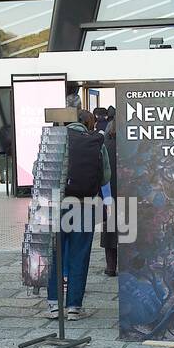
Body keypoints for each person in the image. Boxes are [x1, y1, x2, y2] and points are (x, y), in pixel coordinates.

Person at [47, 107, 109, 319]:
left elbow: (42, 169)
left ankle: (54, 304)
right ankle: (74, 307)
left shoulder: (56, 140)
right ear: (89, 123)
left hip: (58, 204)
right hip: (85, 205)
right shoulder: (94, 142)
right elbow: (105, 177)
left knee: (55, 253)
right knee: (79, 254)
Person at [100, 116, 119, 277]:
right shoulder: (129, 145)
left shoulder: (104, 145)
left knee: (110, 230)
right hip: (128, 194)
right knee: (128, 230)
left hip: (108, 194)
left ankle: (111, 267)